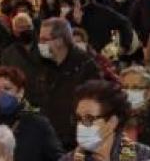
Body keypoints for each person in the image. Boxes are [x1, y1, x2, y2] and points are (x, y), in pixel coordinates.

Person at [54, 80, 150, 161]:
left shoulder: (148, 160)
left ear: (112, 122)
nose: (80, 125)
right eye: (78, 119)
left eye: (89, 119)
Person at [36, 17, 101, 148]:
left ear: (60, 41)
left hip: (78, 141)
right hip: (53, 139)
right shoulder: (45, 66)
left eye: (44, 39)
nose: (40, 44)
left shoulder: (85, 65)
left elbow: (94, 105)